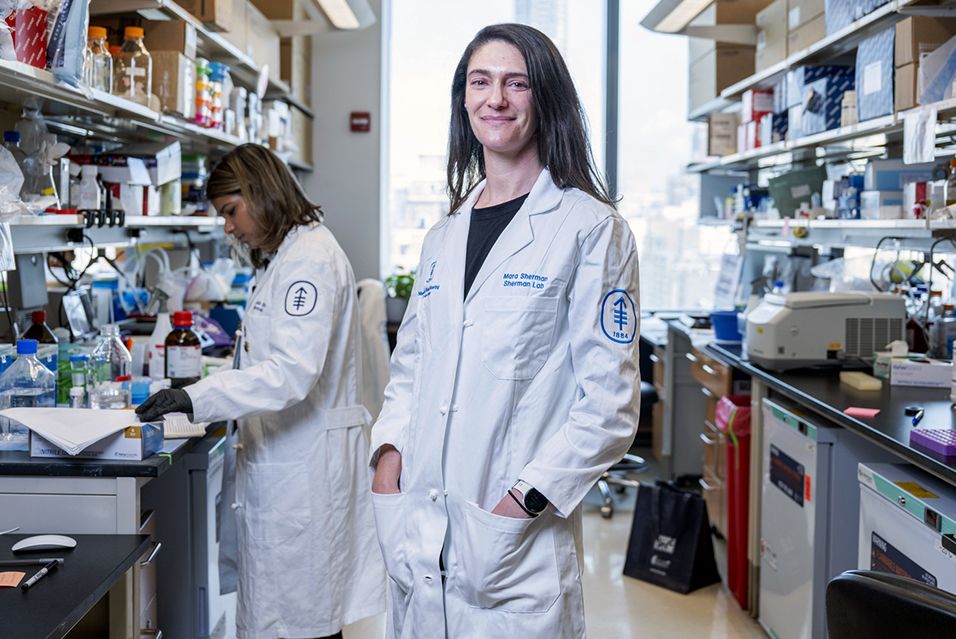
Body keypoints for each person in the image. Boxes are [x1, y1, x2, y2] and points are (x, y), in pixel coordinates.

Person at [369, 23, 641, 639]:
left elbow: (608, 408)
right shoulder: (443, 236)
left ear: (543, 98)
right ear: (464, 102)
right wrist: (388, 458)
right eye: (480, 82)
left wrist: (523, 502)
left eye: (516, 83)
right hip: (419, 530)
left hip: (514, 546)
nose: (496, 99)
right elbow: (410, 369)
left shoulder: (590, 229)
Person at [136, 144, 385, 639]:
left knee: (303, 622)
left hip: (305, 471)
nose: (228, 226)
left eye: (231, 210)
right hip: (288, 464)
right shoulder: (284, 257)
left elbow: (290, 372)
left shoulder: (309, 261)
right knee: (288, 617)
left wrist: (196, 398)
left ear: (260, 192)